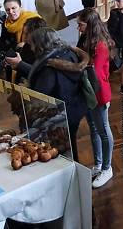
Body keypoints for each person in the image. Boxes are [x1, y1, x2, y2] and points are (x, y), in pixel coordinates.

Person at [25, 28, 88, 162]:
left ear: (41, 44)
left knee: (61, 150)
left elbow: (40, 95)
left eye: (32, 44)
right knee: (71, 144)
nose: (31, 48)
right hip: (75, 108)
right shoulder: (69, 53)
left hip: (59, 115)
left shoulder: (48, 67)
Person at [76, 8, 115, 188]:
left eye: (81, 24)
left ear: (89, 25)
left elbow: (96, 74)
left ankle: (107, 167)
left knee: (103, 131)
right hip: (89, 92)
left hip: (98, 94)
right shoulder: (86, 40)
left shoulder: (99, 45)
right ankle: (99, 164)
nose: (78, 28)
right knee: (94, 128)